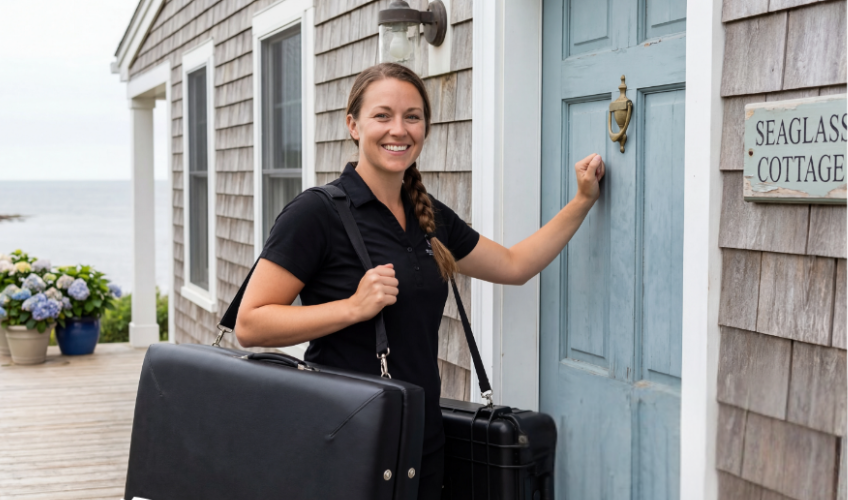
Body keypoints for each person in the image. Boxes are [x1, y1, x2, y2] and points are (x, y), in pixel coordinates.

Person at [235, 62, 605, 499]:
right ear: (353, 125)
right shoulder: (316, 213)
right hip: (346, 436)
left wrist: (582, 201)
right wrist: (352, 307)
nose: (399, 129)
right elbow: (251, 324)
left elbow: (513, 265)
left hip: (421, 436)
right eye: (382, 115)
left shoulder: (430, 215)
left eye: (412, 116)